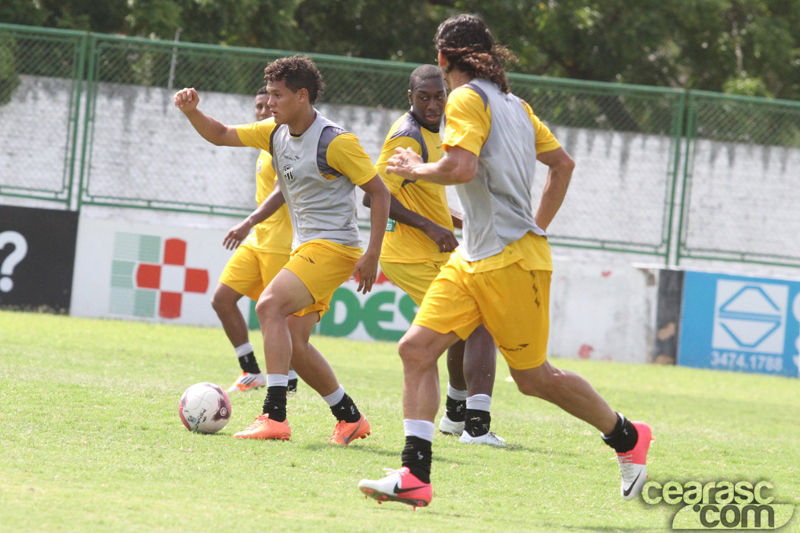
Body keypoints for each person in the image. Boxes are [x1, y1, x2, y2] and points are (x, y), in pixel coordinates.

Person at [358, 15, 652, 508]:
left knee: (534, 378)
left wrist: (416, 168)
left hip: (510, 260)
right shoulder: (515, 104)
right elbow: (562, 165)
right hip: (474, 257)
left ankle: (626, 436)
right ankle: (414, 475)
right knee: (415, 350)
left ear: (443, 57)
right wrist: (538, 224)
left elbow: (460, 166)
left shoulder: (468, 98)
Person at [174, 55, 391, 445]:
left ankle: (274, 416)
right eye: (269, 94)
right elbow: (222, 133)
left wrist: (372, 253)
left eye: (277, 95)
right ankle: (350, 417)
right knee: (296, 345)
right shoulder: (275, 132)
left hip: (335, 248)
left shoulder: (335, 141)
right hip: (307, 247)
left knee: (268, 306)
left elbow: (379, 191)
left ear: (302, 96)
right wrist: (193, 112)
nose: (269, 102)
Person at [364, 64, 504, 446]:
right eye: (423, 97)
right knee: (478, 321)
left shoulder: (432, 132)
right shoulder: (406, 137)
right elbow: (373, 195)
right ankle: (475, 426)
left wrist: (457, 221)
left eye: (438, 96)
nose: (432, 103)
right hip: (411, 254)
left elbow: (420, 194)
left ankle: (457, 415)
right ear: (410, 98)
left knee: (460, 328)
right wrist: (429, 227)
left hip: (427, 251)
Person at [212, 86, 299, 394]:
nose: (264, 111)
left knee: (278, 315)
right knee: (222, 299)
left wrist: (247, 222)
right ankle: (250, 370)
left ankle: (287, 378)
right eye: (259, 107)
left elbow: (281, 193)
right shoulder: (265, 142)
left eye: (269, 104)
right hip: (257, 241)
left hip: (280, 242)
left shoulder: (287, 143)